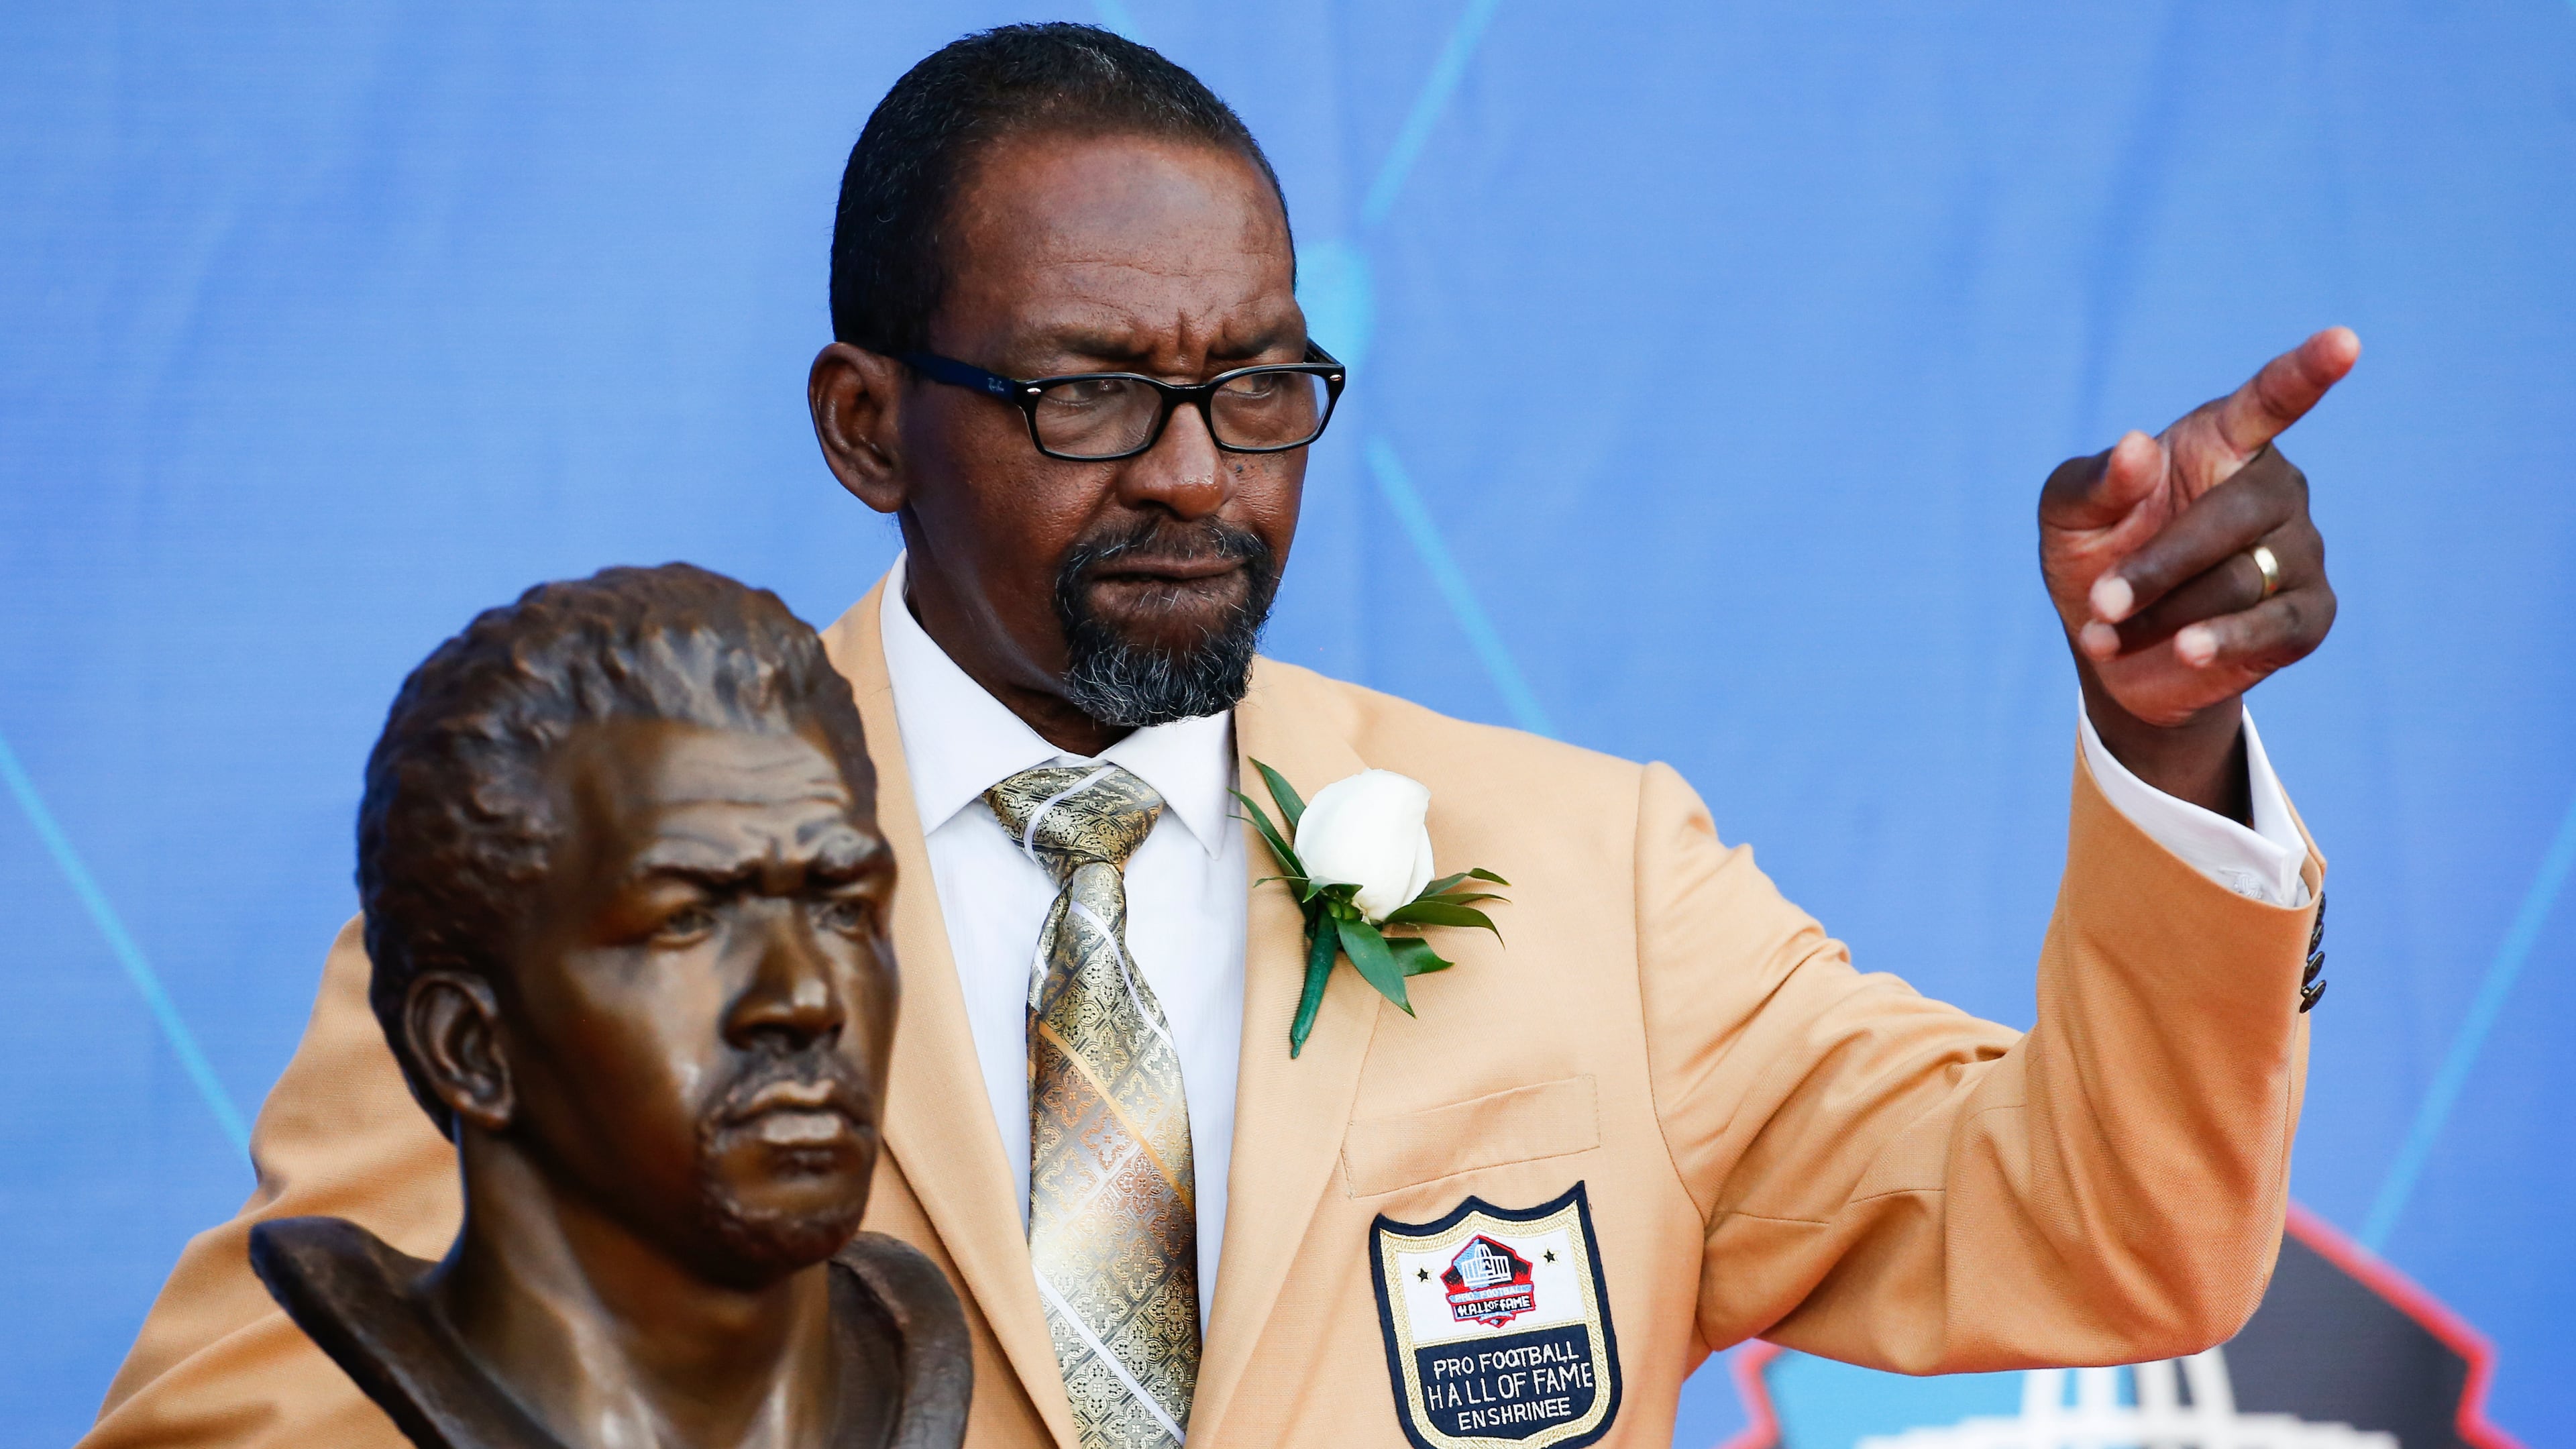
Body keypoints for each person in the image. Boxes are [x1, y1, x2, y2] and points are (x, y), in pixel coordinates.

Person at [85, 23, 2347, 1449]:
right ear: (869, 427)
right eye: (1088, 391)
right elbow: (262, 1408)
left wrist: (2165, 761)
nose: (1196, 470)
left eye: (1260, 384)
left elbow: (2106, 1240)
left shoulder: (1590, 872)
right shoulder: (602, 870)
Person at [245, 563, 969, 1449]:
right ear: (470, 1045)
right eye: (688, 920)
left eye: (841, 908)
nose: (807, 999)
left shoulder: (906, 1351)